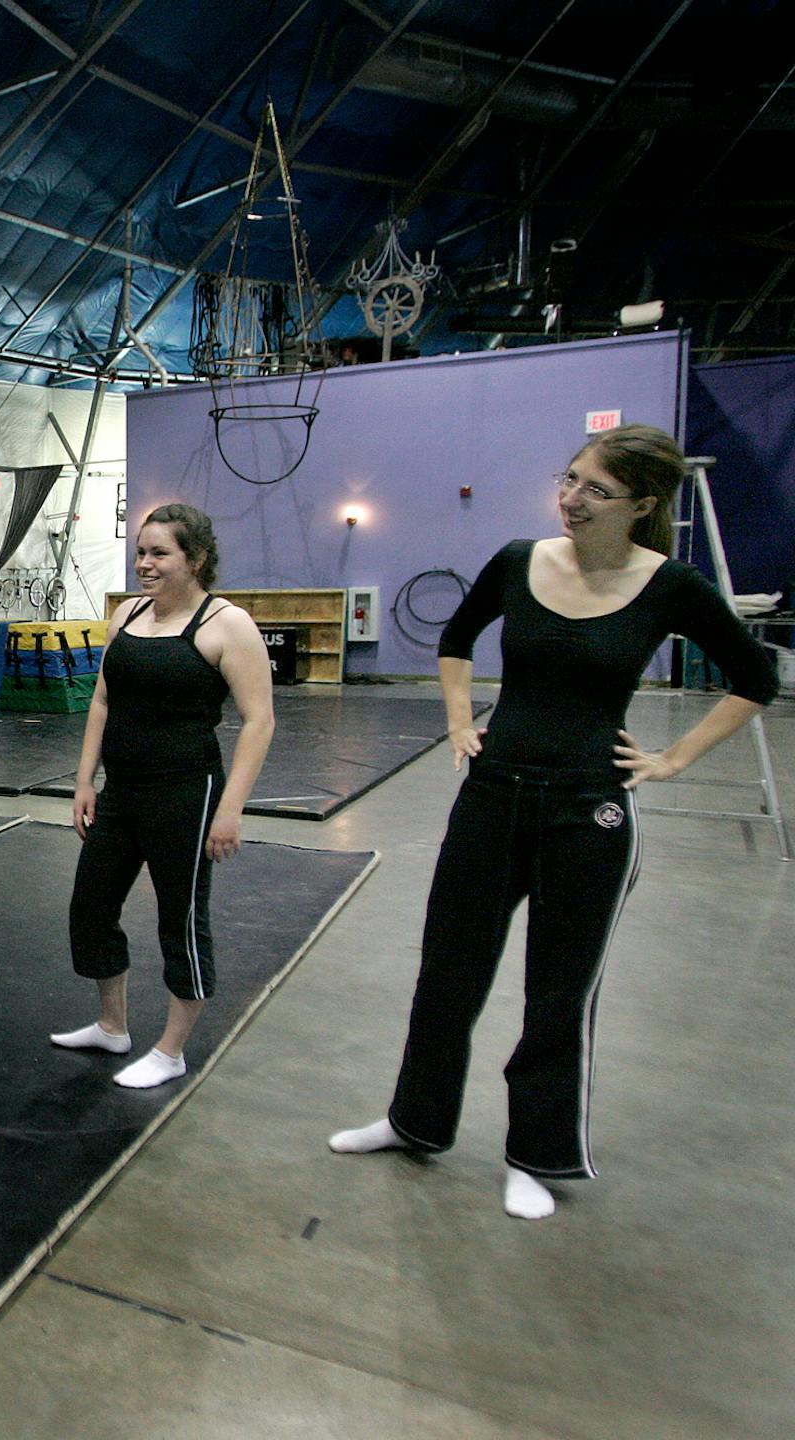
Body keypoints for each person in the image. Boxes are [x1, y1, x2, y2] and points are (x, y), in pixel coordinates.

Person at [330, 423, 779, 1218]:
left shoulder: (670, 586)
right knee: (447, 973)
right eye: (568, 480)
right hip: (493, 795)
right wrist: (461, 719)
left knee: (557, 993)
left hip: (589, 810)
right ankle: (413, 1121)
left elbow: (755, 677)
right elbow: (458, 636)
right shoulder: (516, 560)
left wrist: (673, 760)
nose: (571, 500)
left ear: (641, 504)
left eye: (595, 490)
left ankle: (535, 1155)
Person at [50, 504, 275, 1088]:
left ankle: (171, 1051)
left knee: (180, 919)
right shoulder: (128, 615)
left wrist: (230, 811)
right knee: (91, 904)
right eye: (141, 552)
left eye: (159, 554)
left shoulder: (227, 625)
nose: (144, 564)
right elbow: (102, 701)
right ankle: (112, 1025)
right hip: (122, 791)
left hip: (187, 792)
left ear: (195, 559)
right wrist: (83, 780)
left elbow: (258, 722)